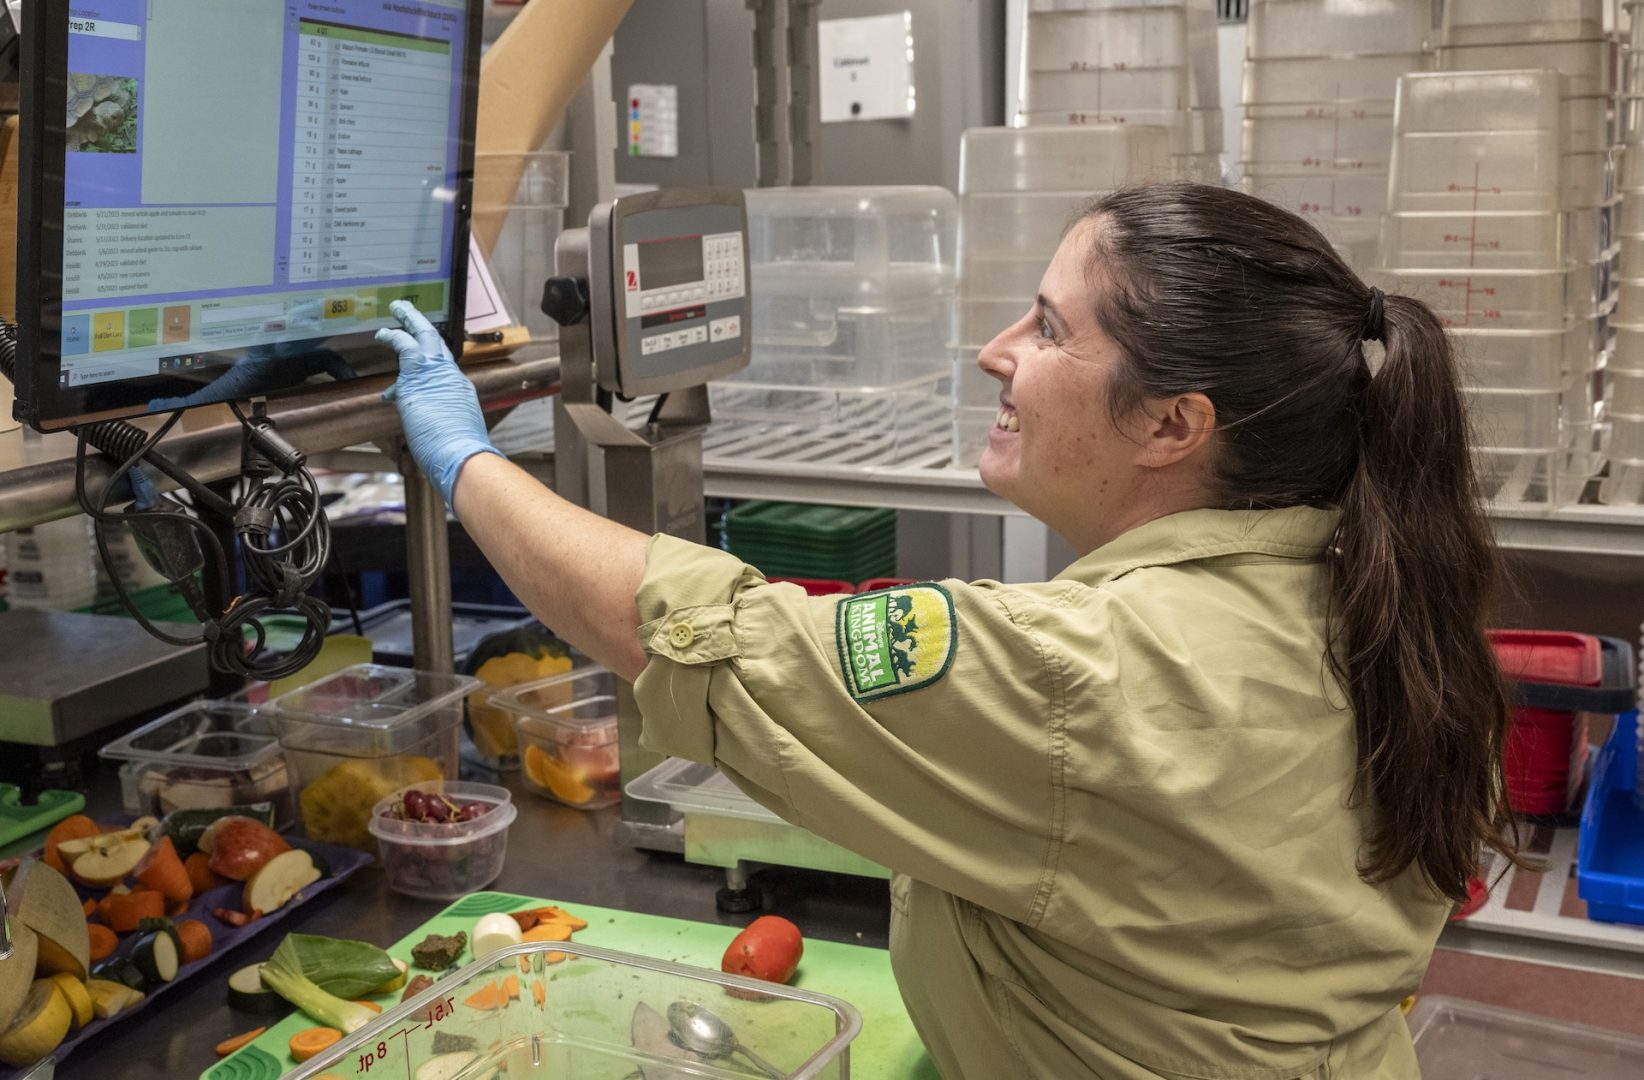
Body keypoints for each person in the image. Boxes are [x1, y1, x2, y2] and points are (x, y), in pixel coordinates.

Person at [377, 181, 1518, 1079]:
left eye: (1051, 328)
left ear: (1175, 423)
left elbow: (701, 635)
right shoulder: (1355, 589)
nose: (996, 350)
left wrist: (468, 464)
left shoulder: (1094, 667)